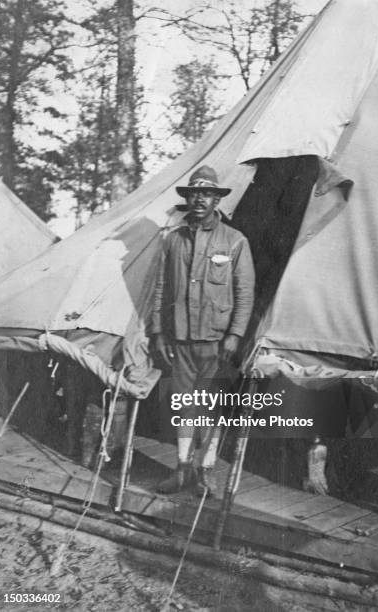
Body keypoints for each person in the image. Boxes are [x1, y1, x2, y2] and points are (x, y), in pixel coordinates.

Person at [152, 165, 255, 496]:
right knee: (183, 404)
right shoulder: (173, 240)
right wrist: (158, 332)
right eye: (194, 193)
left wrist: (235, 336)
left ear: (216, 199)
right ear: (188, 198)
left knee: (211, 405)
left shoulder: (235, 240)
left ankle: (205, 472)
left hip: (217, 341)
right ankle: (182, 469)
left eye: (207, 194)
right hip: (180, 339)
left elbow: (244, 293)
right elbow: (160, 288)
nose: (200, 199)